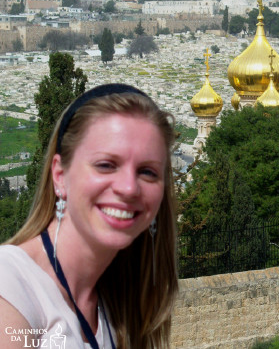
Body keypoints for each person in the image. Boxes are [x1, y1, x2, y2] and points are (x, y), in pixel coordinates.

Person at [0, 84, 179, 348]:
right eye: (106, 165)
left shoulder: (112, 305)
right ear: (60, 176)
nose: (129, 188)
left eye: (148, 172)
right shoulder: (11, 287)